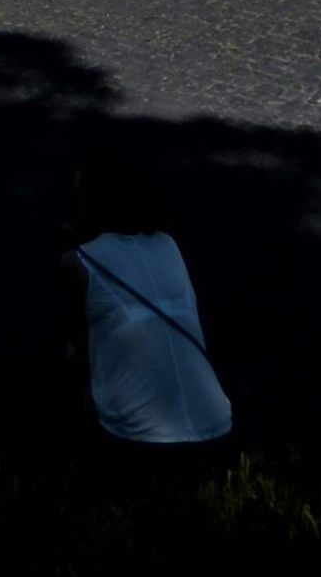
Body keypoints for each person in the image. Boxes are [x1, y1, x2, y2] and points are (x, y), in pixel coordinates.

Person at [66, 144, 233, 478]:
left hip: (138, 441)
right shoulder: (168, 246)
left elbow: (73, 349)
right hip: (217, 428)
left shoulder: (80, 262)